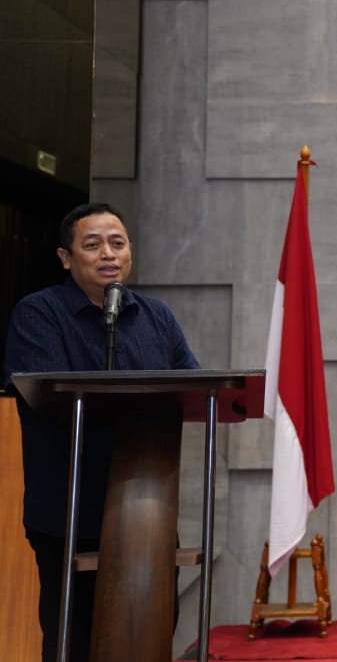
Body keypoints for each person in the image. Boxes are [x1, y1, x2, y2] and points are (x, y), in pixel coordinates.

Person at [3, 202, 199, 662]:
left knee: (149, 638)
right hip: (69, 511)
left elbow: (192, 387)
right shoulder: (38, 314)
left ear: (130, 251)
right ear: (65, 257)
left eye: (117, 243)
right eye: (92, 245)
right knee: (72, 642)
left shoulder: (157, 318)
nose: (108, 253)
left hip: (146, 512)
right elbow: (45, 397)